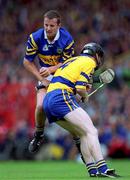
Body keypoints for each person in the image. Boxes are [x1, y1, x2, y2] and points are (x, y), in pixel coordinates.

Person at [43, 42, 120, 177]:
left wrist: (81, 92)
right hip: (60, 96)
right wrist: (85, 96)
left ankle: (92, 171)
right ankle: (103, 169)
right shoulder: (89, 62)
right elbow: (80, 89)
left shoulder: (73, 60)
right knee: (92, 130)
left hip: (48, 100)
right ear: (96, 55)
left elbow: (72, 83)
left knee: (83, 133)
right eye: (99, 56)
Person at [23, 10, 75, 153]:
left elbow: (68, 63)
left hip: (63, 77)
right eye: (46, 25)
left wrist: (51, 69)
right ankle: (39, 134)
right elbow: (27, 62)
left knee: (66, 113)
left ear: (59, 25)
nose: (48, 28)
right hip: (45, 78)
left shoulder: (67, 39)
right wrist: (42, 79)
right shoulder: (35, 37)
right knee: (40, 107)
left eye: (52, 25)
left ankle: (76, 138)